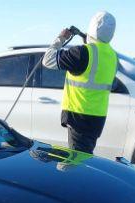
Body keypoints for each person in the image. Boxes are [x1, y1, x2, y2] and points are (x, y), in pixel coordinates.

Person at [42, 12, 118, 154]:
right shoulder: (113, 56)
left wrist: (61, 38)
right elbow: (93, 67)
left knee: (77, 165)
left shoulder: (82, 53)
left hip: (79, 116)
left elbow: (48, 60)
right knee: (84, 158)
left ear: (91, 28)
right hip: (97, 118)